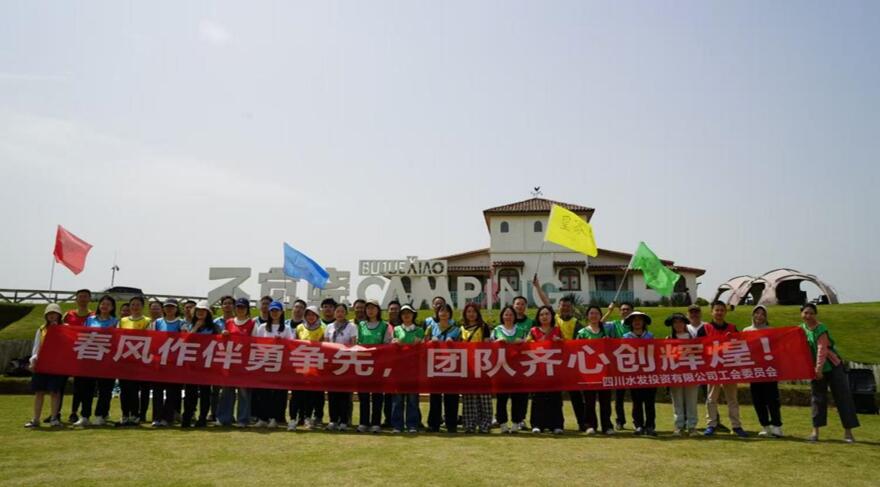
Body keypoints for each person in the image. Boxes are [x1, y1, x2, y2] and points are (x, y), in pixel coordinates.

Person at [532, 276, 587, 431]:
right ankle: (549, 423)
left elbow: (581, 341)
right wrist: (537, 287)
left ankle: (582, 423)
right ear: (559, 307)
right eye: (563, 306)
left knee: (576, 394)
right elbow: (545, 302)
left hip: (570, 362)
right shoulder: (554, 319)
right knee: (551, 394)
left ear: (571, 308)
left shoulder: (576, 323)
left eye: (568, 306)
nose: (565, 308)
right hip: (553, 362)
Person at [801, 303, 859, 443]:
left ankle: (848, 433)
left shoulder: (821, 328)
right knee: (817, 399)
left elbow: (822, 350)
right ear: (801, 314)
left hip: (832, 367)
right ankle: (815, 432)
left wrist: (818, 369)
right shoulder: (800, 329)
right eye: (806, 313)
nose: (808, 316)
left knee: (842, 398)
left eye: (811, 313)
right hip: (815, 370)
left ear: (815, 315)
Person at [699, 300, 747, 438]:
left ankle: (736, 426)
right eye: (717, 310)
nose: (719, 313)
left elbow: (740, 345)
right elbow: (697, 347)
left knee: (732, 399)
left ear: (725, 312)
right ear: (712, 312)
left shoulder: (732, 328)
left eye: (722, 310)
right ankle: (711, 424)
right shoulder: (705, 329)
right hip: (712, 368)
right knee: (711, 398)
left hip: (729, 368)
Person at [73, 295, 119, 427]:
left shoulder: (116, 322)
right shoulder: (90, 320)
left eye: (108, 304)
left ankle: (100, 415)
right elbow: (83, 336)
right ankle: (85, 416)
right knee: (86, 389)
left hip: (107, 360)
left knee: (105, 389)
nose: (105, 306)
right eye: (103, 304)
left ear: (112, 307)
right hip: (90, 358)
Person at [743, 305, 783, 438]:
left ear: (766, 317)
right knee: (758, 400)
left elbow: (777, 349)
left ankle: (776, 426)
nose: (759, 316)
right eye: (757, 313)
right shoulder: (747, 330)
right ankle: (765, 426)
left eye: (762, 314)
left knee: (772, 399)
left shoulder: (771, 330)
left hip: (769, 370)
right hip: (754, 370)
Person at [576, 305, 616, 435]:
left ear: (600, 316)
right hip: (588, 372)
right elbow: (576, 350)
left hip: (604, 371)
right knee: (589, 401)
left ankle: (607, 426)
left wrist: (609, 342)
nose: (594, 316)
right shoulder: (582, 333)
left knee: (605, 400)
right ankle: (590, 425)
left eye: (596, 313)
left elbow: (614, 350)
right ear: (587, 316)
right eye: (591, 313)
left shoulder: (606, 332)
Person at [252, 301, 293, 428]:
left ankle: (274, 418)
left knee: (277, 393)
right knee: (263, 392)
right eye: (272, 311)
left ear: (281, 312)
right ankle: (262, 418)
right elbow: (257, 344)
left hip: (279, 364)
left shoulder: (286, 328)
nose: (274, 313)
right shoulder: (262, 327)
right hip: (264, 363)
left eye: (277, 311)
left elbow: (291, 345)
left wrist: (282, 342)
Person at [25, 303, 67, 428]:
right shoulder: (42, 329)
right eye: (49, 314)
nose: (52, 316)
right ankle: (36, 419)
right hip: (42, 364)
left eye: (54, 313)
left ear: (59, 315)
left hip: (57, 365)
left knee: (55, 392)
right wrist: (33, 361)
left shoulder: (66, 328)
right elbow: (37, 347)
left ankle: (54, 418)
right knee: (39, 392)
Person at [216, 298, 256, 427]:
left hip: (244, 362)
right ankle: (224, 418)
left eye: (243, 307)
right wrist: (223, 335)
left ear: (247, 309)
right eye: (238, 307)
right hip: (230, 361)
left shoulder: (252, 323)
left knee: (243, 392)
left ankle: (243, 419)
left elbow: (255, 342)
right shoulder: (229, 322)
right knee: (226, 391)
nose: (240, 309)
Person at [182, 301, 222, 428]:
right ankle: (187, 417)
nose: (200, 312)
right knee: (190, 393)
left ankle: (202, 418)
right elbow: (184, 341)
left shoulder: (214, 327)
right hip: (191, 365)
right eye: (198, 310)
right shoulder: (188, 325)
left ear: (208, 313)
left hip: (207, 365)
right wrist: (195, 328)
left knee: (205, 393)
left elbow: (220, 342)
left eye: (203, 310)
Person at [357, 300, 393, 433]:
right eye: (368, 308)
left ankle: (376, 423)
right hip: (363, 364)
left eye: (373, 308)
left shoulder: (385, 326)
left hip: (378, 364)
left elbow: (387, 343)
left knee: (377, 395)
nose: (370, 310)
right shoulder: (361, 325)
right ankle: (363, 422)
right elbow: (358, 342)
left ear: (378, 310)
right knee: (363, 395)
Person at [527, 305, 564, 434]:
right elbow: (526, 345)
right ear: (538, 317)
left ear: (551, 316)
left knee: (555, 398)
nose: (544, 317)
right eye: (541, 314)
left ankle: (557, 425)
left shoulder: (557, 330)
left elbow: (567, 346)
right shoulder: (533, 331)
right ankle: (537, 424)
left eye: (547, 314)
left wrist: (560, 341)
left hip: (554, 369)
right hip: (538, 369)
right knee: (538, 398)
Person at [425, 303, 461, 433]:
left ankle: (451, 424)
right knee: (435, 396)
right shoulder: (431, 328)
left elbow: (462, 345)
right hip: (435, 365)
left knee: (451, 395)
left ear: (450, 313)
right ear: (437, 313)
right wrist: (431, 341)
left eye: (446, 311)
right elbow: (424, 343)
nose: (444, 313)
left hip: (452, 365)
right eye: (441, 311)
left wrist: (454, 343)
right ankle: (434, 424)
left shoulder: (457, 329)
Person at [492, 305, 529, 433]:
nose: (508, 317)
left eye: (511, 314)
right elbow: (489, 346)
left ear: (514, 316)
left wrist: (521, 343)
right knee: (501, 398)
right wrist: (497, 342)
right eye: (506, 314)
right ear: (502, 316)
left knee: (517, 397)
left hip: (517, 369)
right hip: (502, 368)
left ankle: (516, 422)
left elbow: (528, 347)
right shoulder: (496, 330)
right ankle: (502, 423)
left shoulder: (521, 330)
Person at [149, 298, 185, 427]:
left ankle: (167, 418)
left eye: (172, 307)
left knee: (172, 392)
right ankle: (157, 417)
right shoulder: (157, 322)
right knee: (157, 391)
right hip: (159, 361)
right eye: (167, 307)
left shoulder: (181, 323)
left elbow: (185, 338)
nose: (169, 309)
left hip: (174, 362)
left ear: (176, 309)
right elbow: (151, 338)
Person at [117, 296, 151, 427]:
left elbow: (151, 338)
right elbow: (117, 337)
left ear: (142, 307)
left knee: (134, 389)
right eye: (133, 305)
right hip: (124, 359)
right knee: (124, 389)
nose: (135, 307)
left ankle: (135, 415)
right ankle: (125, 415)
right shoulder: (123, 321)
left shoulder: (147, 321)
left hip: (138, 360)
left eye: (138, 305)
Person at [324, 303, 357, 431]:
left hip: (346, 364)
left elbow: (353, 344)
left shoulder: (351, 326)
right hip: (332, 364)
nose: (340, 314)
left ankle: (344, 421)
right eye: (337, 311)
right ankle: (333, 420)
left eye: (342, 311)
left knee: (344, 394)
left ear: (346, 313)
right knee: (332, 394)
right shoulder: (329, 327)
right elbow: (326, 345)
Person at [460, 303, 493, 434]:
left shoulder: (483, 327)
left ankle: (485, 424)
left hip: (482, 365)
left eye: (473, 311)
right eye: (468, 311)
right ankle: (469, 424)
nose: (471, 314)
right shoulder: (461, 328)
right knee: (469, 397)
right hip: (467, 365)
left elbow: (487, 345)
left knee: (484, 397)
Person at [622, 311, 657, 436]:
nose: (637, 322)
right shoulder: (626, 337)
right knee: (636, 401)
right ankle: (638, 425)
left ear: (644, 322)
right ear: (631, 323)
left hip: (649, 374)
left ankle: (650, 426)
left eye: (639, 319)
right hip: (634, 374)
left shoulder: (650, 336)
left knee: (649, 402)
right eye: (634, 320)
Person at [390, 304, 423, 433]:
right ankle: (397, 425)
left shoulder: (419, 330)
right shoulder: (397, 329)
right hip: (399, 368)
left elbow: (420, 347)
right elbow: (393, 346)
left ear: (413, 315)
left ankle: (412, 425)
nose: (406, 315)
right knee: (398, 399)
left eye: (409, 313)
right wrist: (396, 343)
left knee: (412, 399)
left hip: (414, 369)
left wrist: (404, 344)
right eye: (404, 313)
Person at [665, 313, 699, 435]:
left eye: (680, 322)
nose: (678, 324)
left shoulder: (693, 338)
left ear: (685, 323)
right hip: (676, 374)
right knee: (677, 402)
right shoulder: (669, 338)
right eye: (675, 322)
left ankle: (692, 426)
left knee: (692, 401)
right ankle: (679, 426)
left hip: (691, 373)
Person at [294, 305, 326, 429]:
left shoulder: (323, 328)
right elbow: (294, 344)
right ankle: (302, 417)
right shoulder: (299, 327)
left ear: (317, 316)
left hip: (318, 365)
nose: (310, 317)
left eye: (313, 314)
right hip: (303, 365)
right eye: (308, 314)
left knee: (317, 394)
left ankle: (317, 417)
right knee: (303, 393)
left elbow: (326, 345)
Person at [63, 288, 92, 424]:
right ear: (76, 298)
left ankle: (84, 413)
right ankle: (69, 412)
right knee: (72, 386)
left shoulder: (93, 316)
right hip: (70, 354)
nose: (83, 299)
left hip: (87, 355)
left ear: (89, 299)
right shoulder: (68, 315)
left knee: (85, 386)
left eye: (85, 296)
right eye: (80, 296)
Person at [605, 301, 634, 431]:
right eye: (622, 309)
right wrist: (609, 311)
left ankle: (637, 421)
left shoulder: (636, 324)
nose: (625, 311)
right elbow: (599, 324)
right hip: (618, 365)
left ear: (632, 311)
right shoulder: (615, 324)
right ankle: (620, 421)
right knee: (619, 396)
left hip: (635, 365)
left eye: (627, 309)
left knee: (636, 396)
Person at [287, 298, 307, 426]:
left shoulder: (306, 326)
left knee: (302, 392)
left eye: (301, 308)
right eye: (296, 307)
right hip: (287, 364)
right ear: (292, 309)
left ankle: (302, 417)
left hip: (303, 363)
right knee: (292, 394)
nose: (298, 310)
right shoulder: (284, 325)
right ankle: (292, 418)